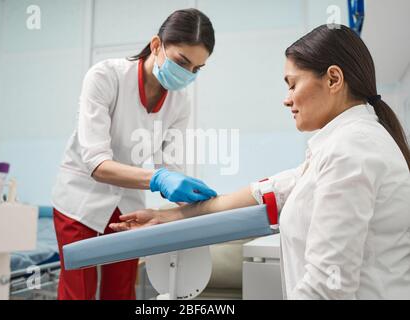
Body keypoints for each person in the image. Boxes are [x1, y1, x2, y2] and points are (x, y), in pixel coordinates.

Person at [110, 25, 410, 299]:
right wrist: (170, 217)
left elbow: (326, 288)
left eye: (292, 84)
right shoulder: (343, 145)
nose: (287, 99)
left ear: (333, 79)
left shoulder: (350, 150)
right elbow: (276, 190)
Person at [51, 8, 217, 300]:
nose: (188, 74)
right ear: (156, 45)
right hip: (81, 198)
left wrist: (201, 203)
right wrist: (160, 179)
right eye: (182, 62)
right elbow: (96, 163)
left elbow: (171, 170)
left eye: (197, 69)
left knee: (121, 291)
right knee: (79, 291)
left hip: (127, 202)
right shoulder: (105, 76)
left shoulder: (180, 103)